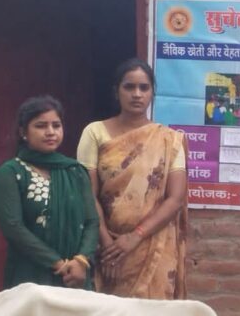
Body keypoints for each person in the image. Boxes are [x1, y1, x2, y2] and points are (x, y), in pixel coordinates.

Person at [77, 59, 188, 299]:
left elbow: (175, 199)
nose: (137, 94)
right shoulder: (95, 132)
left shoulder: (169, 140)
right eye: (129, 87)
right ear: (116, 91)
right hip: (105, 245)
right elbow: (87, 193)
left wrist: (135, 237)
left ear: (152, 93)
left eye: (144, 87)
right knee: (106, 314)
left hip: (153, 244)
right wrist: (108, 246)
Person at [0, 96, 98, 290]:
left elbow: (91, 221)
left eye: (56, 125)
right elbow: (13, 228)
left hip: (76, 277)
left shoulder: (75, 171)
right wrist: (58, 263)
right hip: (30, 276)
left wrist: (81, 261)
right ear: (23, 132)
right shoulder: (10, 173)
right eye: (40, 126)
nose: (50, 132)